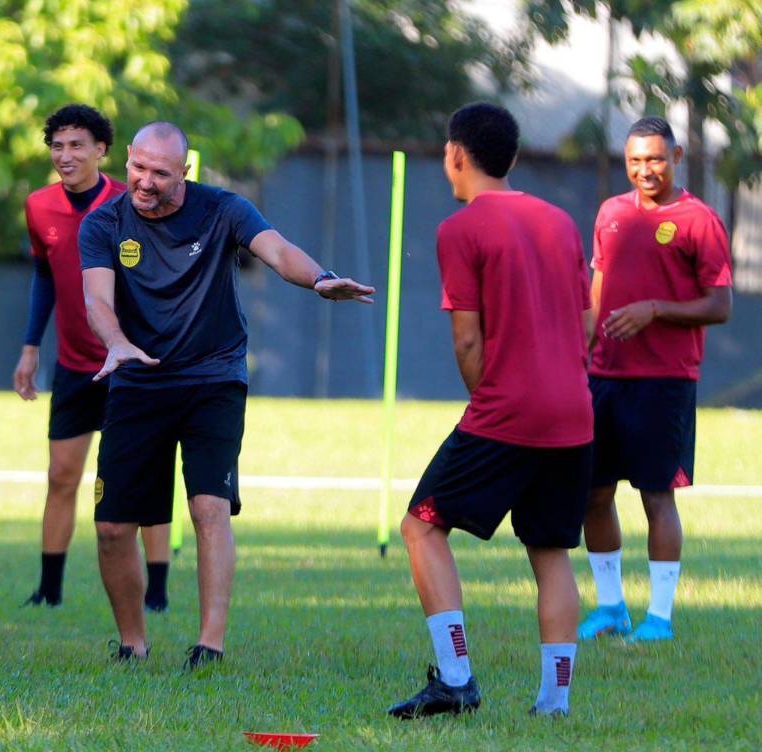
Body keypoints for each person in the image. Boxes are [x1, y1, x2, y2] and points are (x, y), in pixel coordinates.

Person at [79, 121, 373, 668]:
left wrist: (320, 279)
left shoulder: (223, 210)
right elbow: (98, 299)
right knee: (113, 527)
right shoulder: (103, 224)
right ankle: (132, 643)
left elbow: (279, 251)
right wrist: (116, 343)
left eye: (160, 174)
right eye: (138, 168)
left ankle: (209, 645)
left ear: (184, 173)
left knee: (209, 507)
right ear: (127, 162)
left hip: (212, 379)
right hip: (137, 379)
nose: (145, 181)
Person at [387, 103, 593, 719]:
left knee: (422, 525)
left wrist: (488, 400)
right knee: (550, 552)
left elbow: (468, 341)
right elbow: (586, 324)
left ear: (456, 153)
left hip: (507, 412)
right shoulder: (559, 221)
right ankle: (553, 702)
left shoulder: (461, 229)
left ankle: (456, 680)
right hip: (574, 415)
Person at [578, 117, 733, 643]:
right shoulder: (611, 213)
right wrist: (581, 352)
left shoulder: (699, 220)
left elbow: (720, 305)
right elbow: (598, 295)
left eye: (656, 159)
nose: (646, 170)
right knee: (593, 495)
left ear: (678, 156)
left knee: (655, 496)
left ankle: (660, 619)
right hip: (604, 378)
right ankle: (611, 607)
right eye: (636, 161)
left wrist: (655, 310)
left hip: (664, 380)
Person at [15, 105, 172, 611]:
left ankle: (159, 592)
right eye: (57, 145)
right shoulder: (38, 207)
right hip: (75, 365)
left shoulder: (132, 203)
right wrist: (30, 346)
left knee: (143, 479)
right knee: (61, 475)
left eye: (77, 145)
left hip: (131, 362)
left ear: (103, 150)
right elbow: (44, 276)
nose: (66, 155)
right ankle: (48, 590)